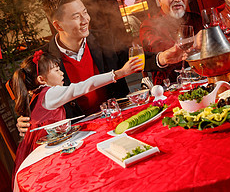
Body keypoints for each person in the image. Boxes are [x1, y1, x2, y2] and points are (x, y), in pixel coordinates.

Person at [16, 0, 182, 136]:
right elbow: (34, 98)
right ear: (58, 26)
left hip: (118, 121)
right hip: (77, 134)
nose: (85, 20)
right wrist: (25, 120)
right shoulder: (43, 59)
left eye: (85, 12)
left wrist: (163, 57)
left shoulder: (104, 39)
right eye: (76, 17)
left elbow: (133, 59)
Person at [12, 50, 142, 176]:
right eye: (56, 70)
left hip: (37, 147)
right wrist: (119, 73)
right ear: (41, 79)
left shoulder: (37, 96)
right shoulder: (50, 93)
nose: (61, 73)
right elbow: (85, 86)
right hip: (44, 150)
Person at [139, 0, 203, 85]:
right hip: (170, 88)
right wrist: (194, 41)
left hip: (203, 79)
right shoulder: (149, 26)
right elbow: (160, 49)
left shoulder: (196, 19)